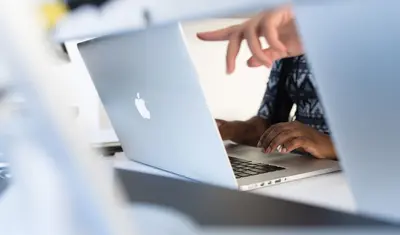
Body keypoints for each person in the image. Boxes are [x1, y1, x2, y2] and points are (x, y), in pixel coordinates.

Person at [197, 5, 337, 159]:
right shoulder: (295, 41)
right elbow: (268, 126)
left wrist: (330, 145)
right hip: (301, 169)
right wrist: (230, 130)